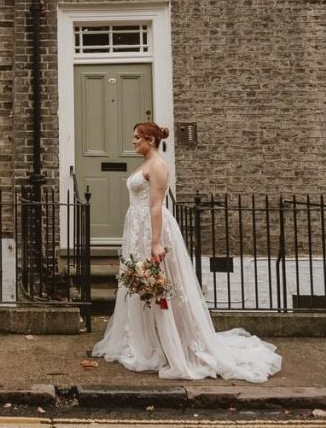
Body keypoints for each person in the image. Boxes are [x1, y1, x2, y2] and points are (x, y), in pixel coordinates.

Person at [91, 122, 281, 382]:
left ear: (150, 140)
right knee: (142, 287)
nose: (133, 141)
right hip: (138, 228)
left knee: (158, 287)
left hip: (151, 230)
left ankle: (172, 347)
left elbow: (156, 205)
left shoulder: (157, 165)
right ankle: (147, 343)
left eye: (137, 137)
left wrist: (156, 242)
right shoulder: (147, 162)